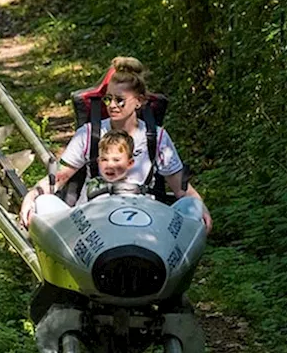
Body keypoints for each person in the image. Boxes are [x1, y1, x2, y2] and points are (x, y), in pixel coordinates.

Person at [18, 56, 212, 229]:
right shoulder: (89, 134)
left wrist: (198, 205)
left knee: (192, 206)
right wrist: (32, 196)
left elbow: (181, 189)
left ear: (139, 101)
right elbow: (59, 178)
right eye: (107, 99)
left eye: (119, 100)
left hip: (147, 220)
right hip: (95, 219)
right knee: (43, 203)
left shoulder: (156, 137)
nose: (111, 105)